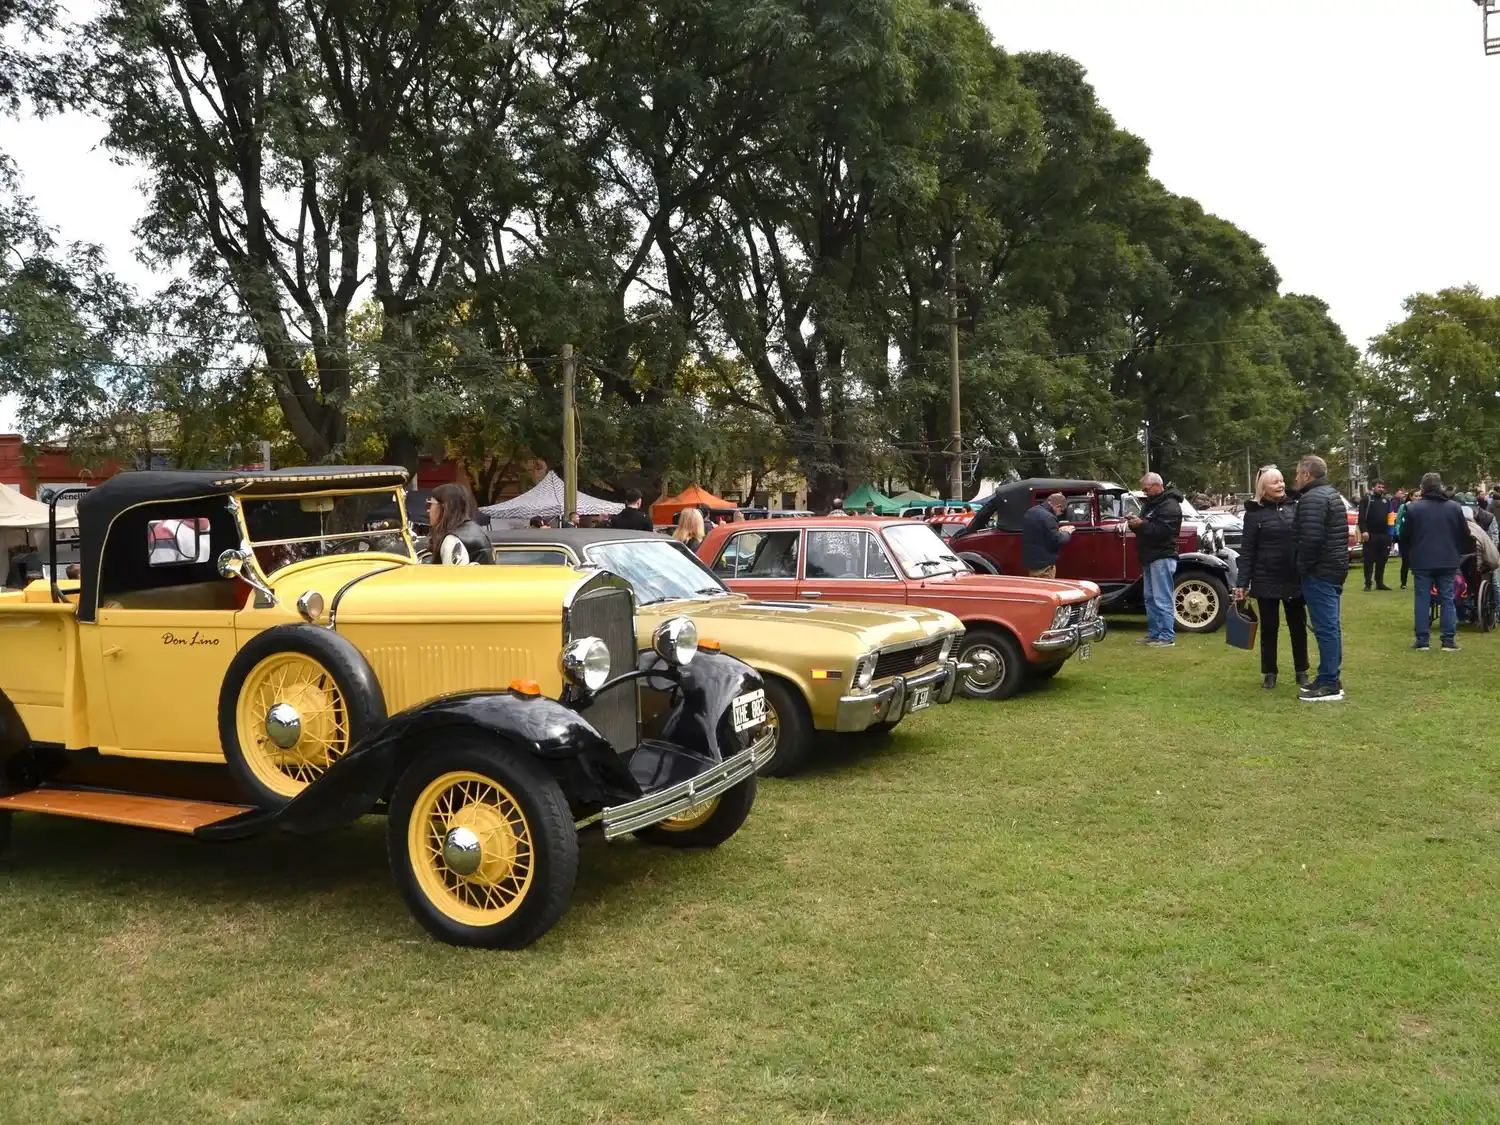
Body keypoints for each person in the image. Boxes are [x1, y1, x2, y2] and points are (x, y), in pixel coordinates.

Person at [1235, 466, 1310, 690]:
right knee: (1269, 628)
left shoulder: (1296, 508)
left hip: (1292, 577)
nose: (1280, 485)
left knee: (1298, 626)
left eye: (1281, 481)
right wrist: (1242, 583)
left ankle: (1301, 670)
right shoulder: (1253, 514)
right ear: (1263, 487)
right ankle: (1270, 672)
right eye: (1274, 482)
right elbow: (1247, 551)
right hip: (1265, 578)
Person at [1292, 454, 1351, 701]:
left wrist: (1301, 567)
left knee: (1326, 628)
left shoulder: (1313, 499)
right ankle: (1329, 675)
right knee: (1330, 626)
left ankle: (1329, 682)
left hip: (1321, 571)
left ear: (1307, 474)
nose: (1294, 478)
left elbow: (1311, 540)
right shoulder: (1331, 494)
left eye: (1297, 473)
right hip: (1334, 568)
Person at [1399, 472, 1470, 652]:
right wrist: (1456, 550)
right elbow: (1464, 534)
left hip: (1422, 559)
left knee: (1422, 598)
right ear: (1441, 487)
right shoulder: (1454, 507)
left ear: (1422, 488)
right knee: (1447, 598)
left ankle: (1422, 640)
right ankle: (1448, 639)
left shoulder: (1413, 509)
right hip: (1448, 558)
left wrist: (1410, 553)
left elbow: (1404, 536)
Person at [1126, 472, 1182, 647]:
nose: (1144, 493)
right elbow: (1147, 528)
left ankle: (1167, 637)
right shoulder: (1152, 504)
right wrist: (1135, 525)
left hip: (1162, 556)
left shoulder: (1170, 505)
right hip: (1150, 556)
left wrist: (1141, 524)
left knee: (1162, 598)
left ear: (1157, 485)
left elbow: (1163, 531)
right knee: (1150, 598)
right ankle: (1155, 633)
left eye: (1146, 489)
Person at [426, 483, 493, 565]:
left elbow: (450, 577)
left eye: (430, 504)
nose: (428, 510)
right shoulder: (476, 530)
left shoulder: (453, 540)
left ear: (444, 506)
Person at [1021, 492, 1073, 578]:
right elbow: (1056, 540)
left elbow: (1040, 533)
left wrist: (1058, 531)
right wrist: (1067, 533)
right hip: (1045, 565)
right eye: (1061, 511)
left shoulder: (1031, 511)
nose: (1060, 514)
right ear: (1058, 506)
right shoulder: (1049, 517)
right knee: (1045, 588)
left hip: (1032, 562)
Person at [1359, 480, 1394, 591]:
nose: (1381, 489)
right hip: (1371, 534)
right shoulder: (1367, 499)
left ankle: (1380, 582)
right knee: (1369, 560)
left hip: (1384, 535)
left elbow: (1390, 518)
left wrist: (1391, 534)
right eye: (1379, 487)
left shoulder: (1387, 501)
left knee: (1382, 560)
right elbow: (1361, 517)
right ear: (1373, 488)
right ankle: (1368, 583)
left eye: (1383, 487)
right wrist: (1364, 531)